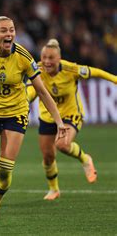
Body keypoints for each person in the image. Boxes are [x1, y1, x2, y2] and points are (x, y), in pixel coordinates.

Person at [0, 16, 67, 219]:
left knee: (6, 169)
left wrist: (59, 121)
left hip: (16, 113)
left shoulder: (23, 57)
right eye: (3, 30)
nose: (9, 34)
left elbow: (43, 92)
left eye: (11, 30)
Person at [28, 39, 116, 200]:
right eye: (44, 57)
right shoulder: (37, 70)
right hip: (47, 116)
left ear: (59, 58)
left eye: (51, 58)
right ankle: (54, 189)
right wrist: (25, 100)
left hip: (70, 114)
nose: (47, 61)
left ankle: (85, 158)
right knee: (48, 156)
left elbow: (97, 72)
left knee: (61, 144)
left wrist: (115, 79)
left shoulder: (71, 69)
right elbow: (32, 90)